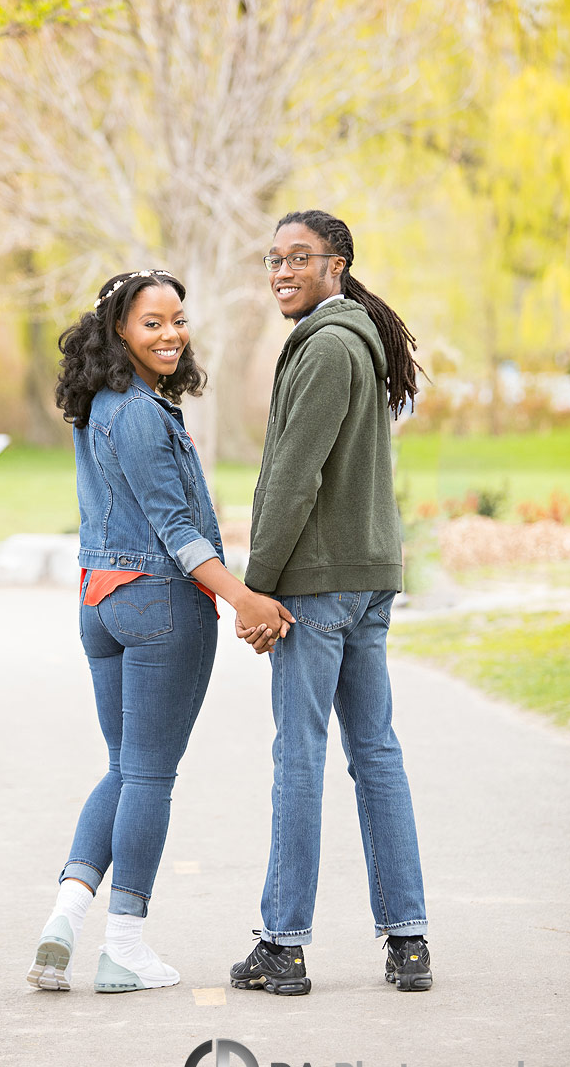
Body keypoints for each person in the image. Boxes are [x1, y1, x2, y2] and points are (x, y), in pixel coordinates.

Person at [28, 268, 293, 995]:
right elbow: (175, 529)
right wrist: (242, 598)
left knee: (121, 768)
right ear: (120, 330)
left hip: (98, 601)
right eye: (152, 323)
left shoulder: (101, 402)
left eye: (177, 319)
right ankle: (123, 946)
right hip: (156, 605)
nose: (171, 333)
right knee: (148, 774)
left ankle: (65, 916)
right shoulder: (142, 413)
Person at [229, 211, 432, 996]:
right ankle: (407, 939)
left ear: (335, 264)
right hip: (368, 576)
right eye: (273, 259)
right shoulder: (360, 341)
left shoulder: (324, 348)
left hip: (317, 585)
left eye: (298, 258)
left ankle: (283, 946)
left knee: (301, 758)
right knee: (376, 754)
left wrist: (256, 588)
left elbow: (291, 478)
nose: (281, 271)